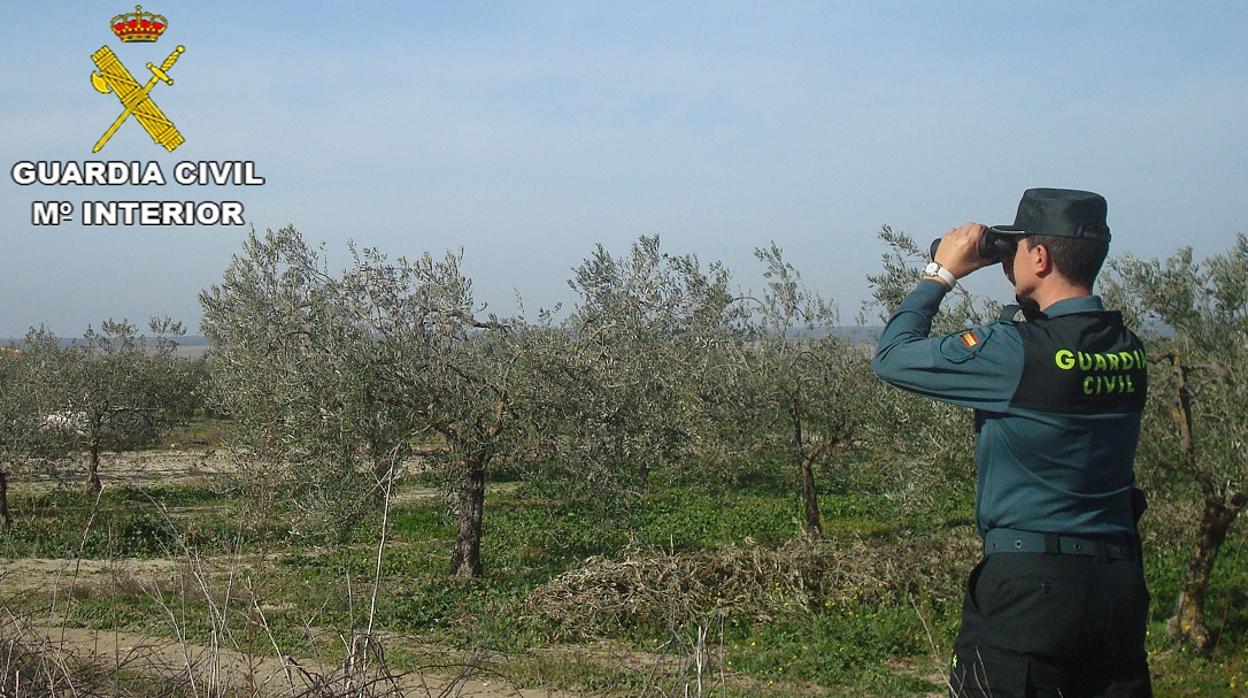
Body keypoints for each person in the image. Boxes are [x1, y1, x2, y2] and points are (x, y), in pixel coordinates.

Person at [871, 188, 1152, 697]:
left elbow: (892, 356)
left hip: (1029, 594)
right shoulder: (1128, 351)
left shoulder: (1013, 354)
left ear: (1039, 257)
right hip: (1117, 589)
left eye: (1017, 248)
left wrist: (942, 273)